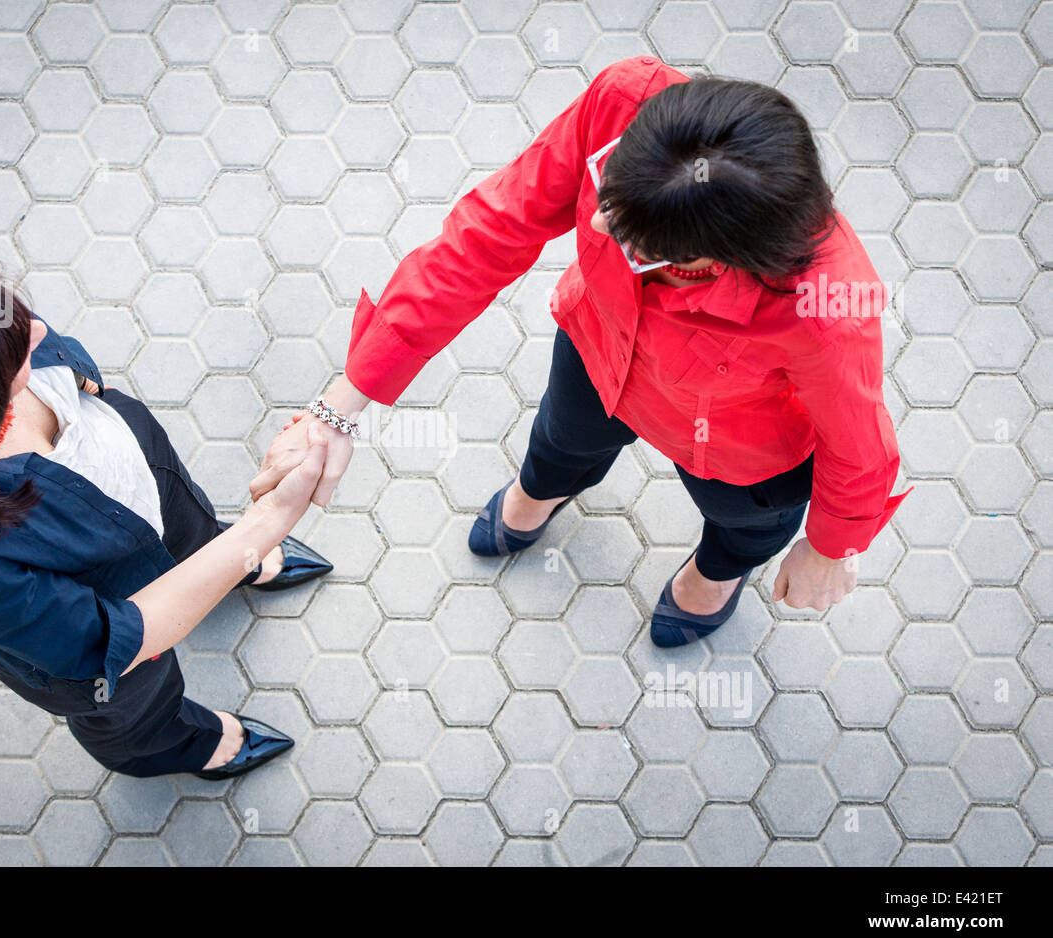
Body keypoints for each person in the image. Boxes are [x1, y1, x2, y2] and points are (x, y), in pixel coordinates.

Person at [252, 56, 909, 647]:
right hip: (599, 350)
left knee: (742, 526)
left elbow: (859, 445)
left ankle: (716, 575)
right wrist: (339, 409)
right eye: (608, 187)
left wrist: (830, 548)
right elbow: (485, 237)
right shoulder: (626, 99)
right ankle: (538, 495)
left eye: (637, 240)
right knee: (559, 442)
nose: (596, 222)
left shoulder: (827, 304)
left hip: (741, 449)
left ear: (715, 257)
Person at [0, 246, 332, 779]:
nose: (38, 334)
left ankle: (232, 563)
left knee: (197, 533)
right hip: (114, 618)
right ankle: (189, 744)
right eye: (14, 351)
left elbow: (43, 338)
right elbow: (112, 640)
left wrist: (82, 376)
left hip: (147, 487)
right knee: (138, 710)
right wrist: (266, 522)